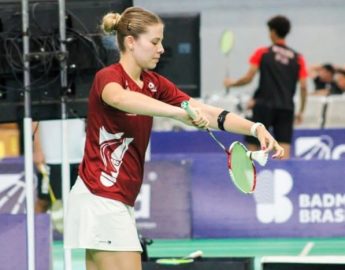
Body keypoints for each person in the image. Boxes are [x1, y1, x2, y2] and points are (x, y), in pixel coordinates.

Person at [64, 7, 284, 270]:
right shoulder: (109, 77)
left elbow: (204, 111)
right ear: (131, 42)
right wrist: (178, 113)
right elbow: (120, 98)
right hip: (101, 195)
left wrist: (254, 128)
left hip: (114, 198)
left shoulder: (155, 83)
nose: (161, 49)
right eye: (155, 42)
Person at [223, 15, 308, 159]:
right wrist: (301, 111)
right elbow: (304, 87)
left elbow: (248, 78)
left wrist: (232, 83)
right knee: (283, 148)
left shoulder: (262, 53)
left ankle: (251, 177)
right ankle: (283, 174)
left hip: (263, 105)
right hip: (286, 107)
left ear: (273, 32)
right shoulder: (298, 58)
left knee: (253, 147)